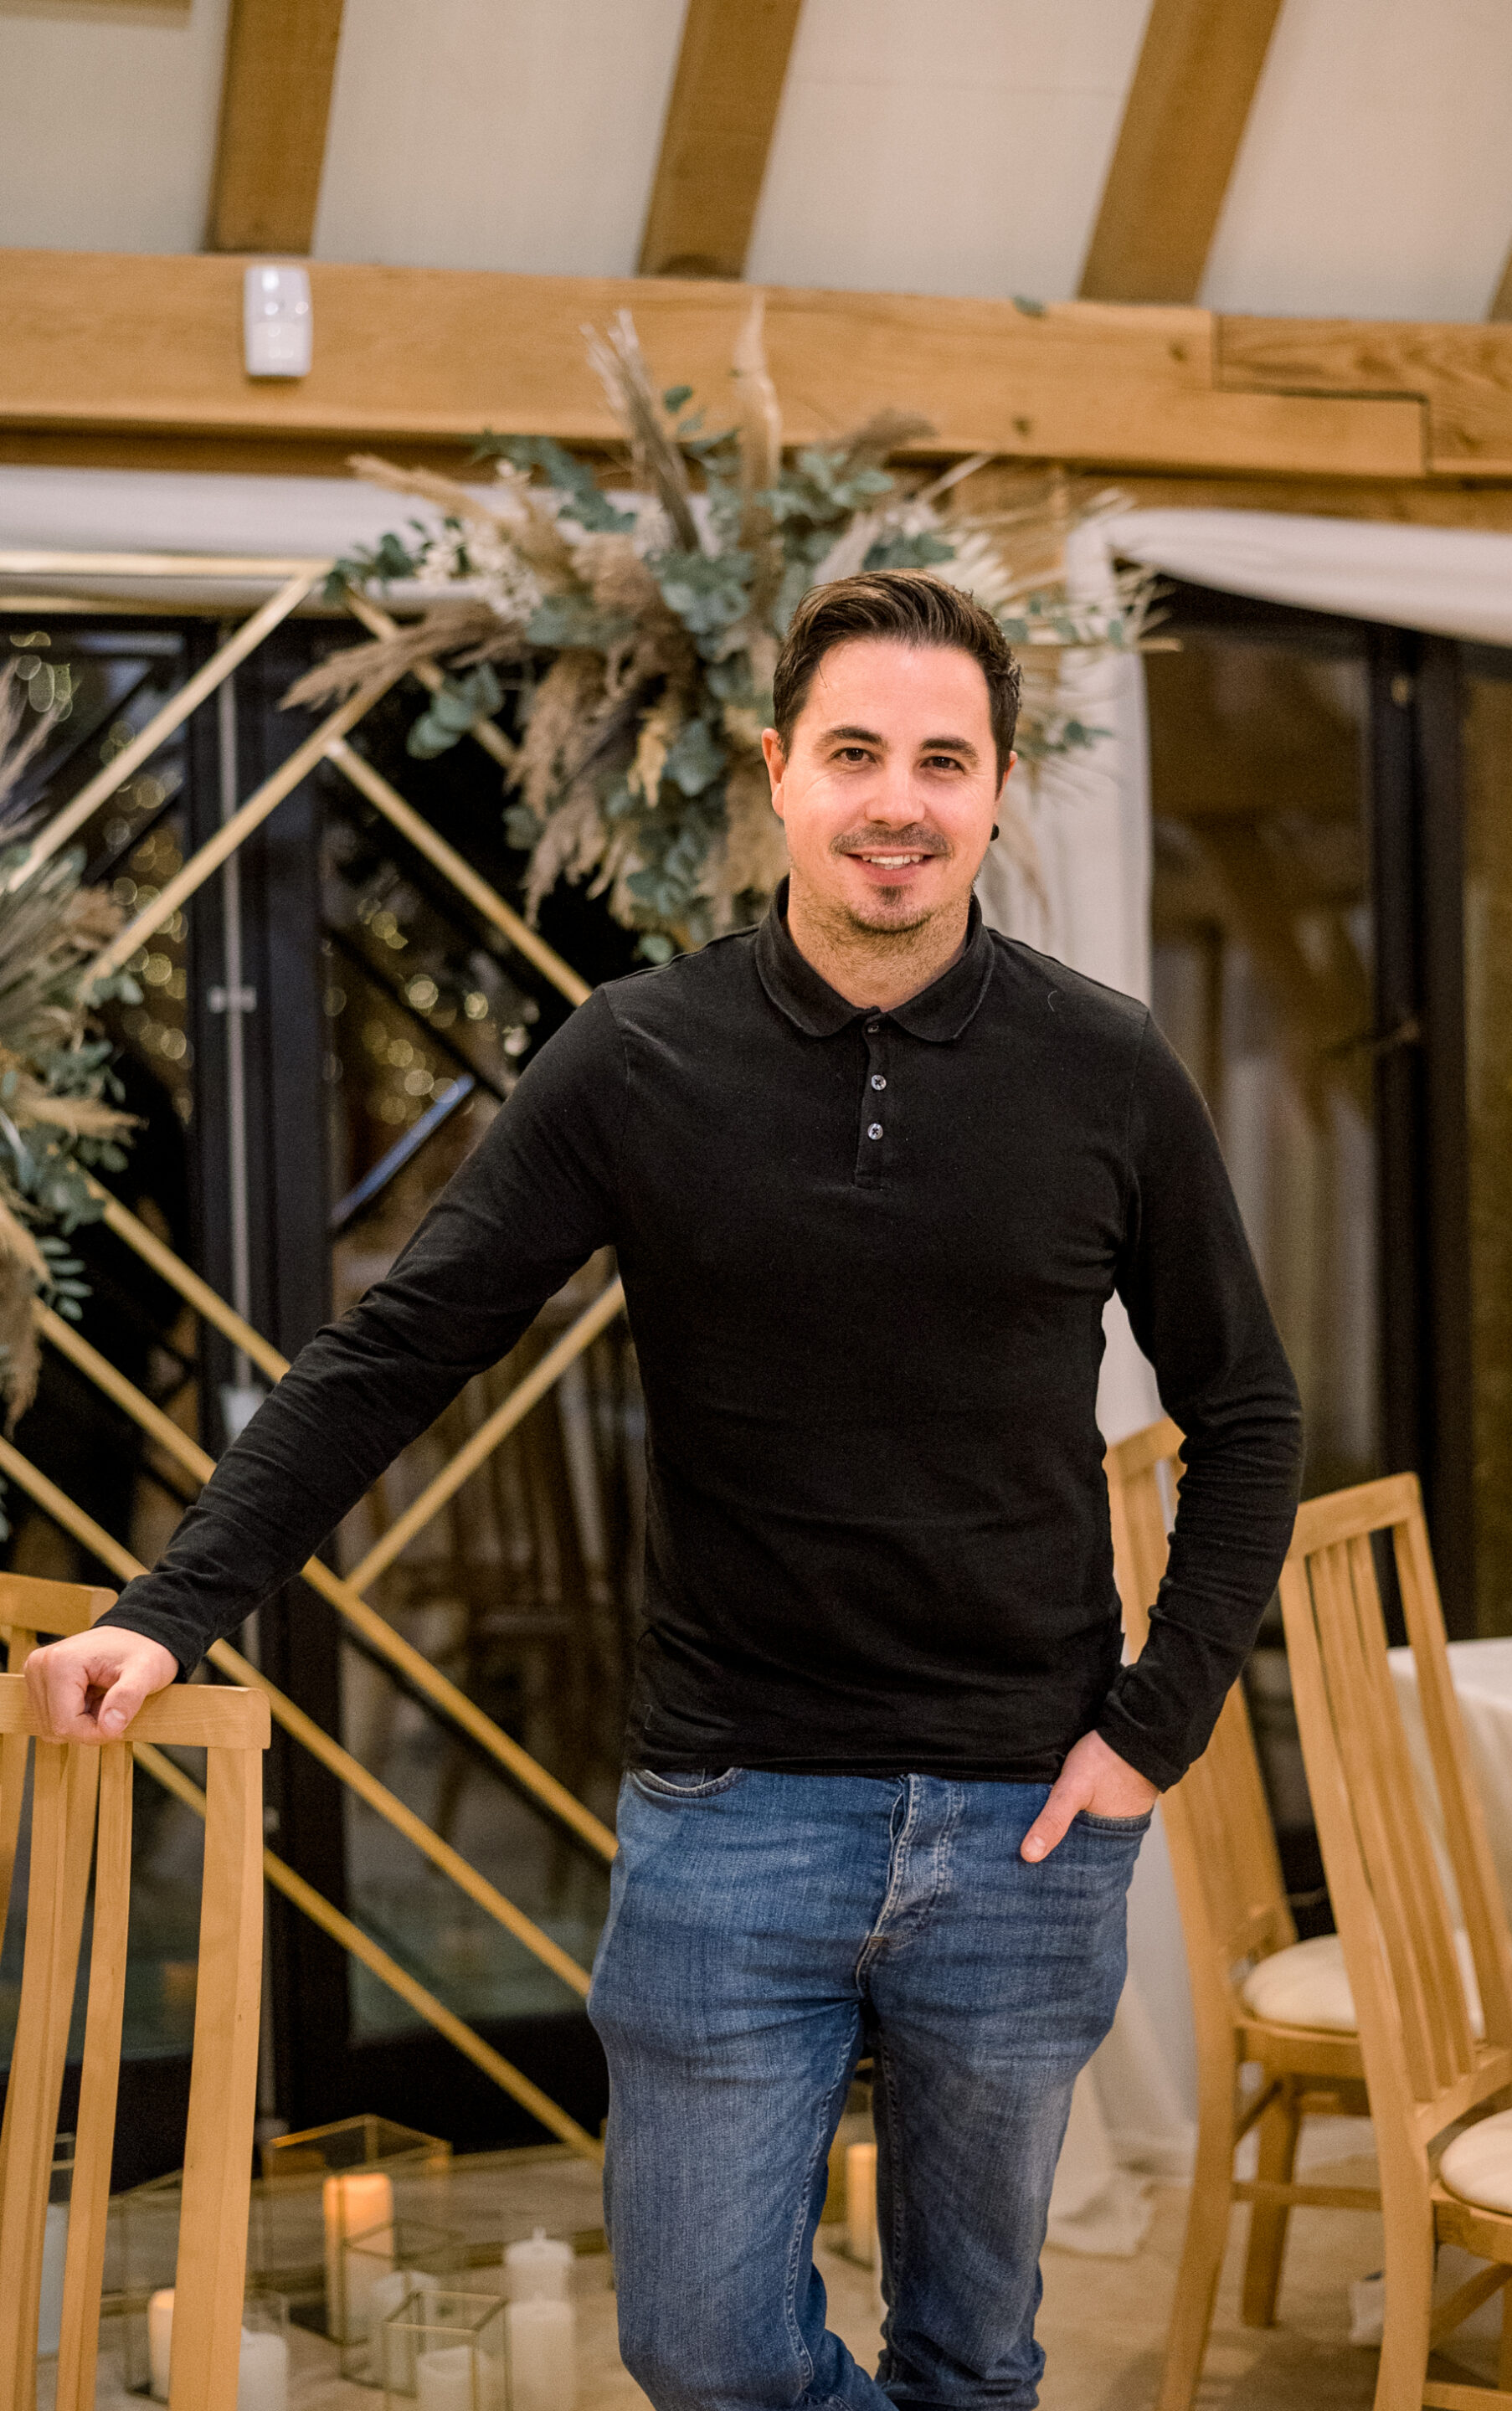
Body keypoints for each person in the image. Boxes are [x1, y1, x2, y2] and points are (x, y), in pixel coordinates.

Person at [29, 571, 1302, 2411]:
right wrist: (165, 1610)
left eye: (945, 760)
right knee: (700, 2348)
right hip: (733, 1809)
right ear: (779, 773)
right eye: (856, 751)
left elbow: (1247, 1415)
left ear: (1000, 791)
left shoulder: (1105, 1068)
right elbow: (395, 1354)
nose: (900, 798)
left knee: (975, 2349)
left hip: (1025, 1819)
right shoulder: (638, 1057)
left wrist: (1152, 1730)